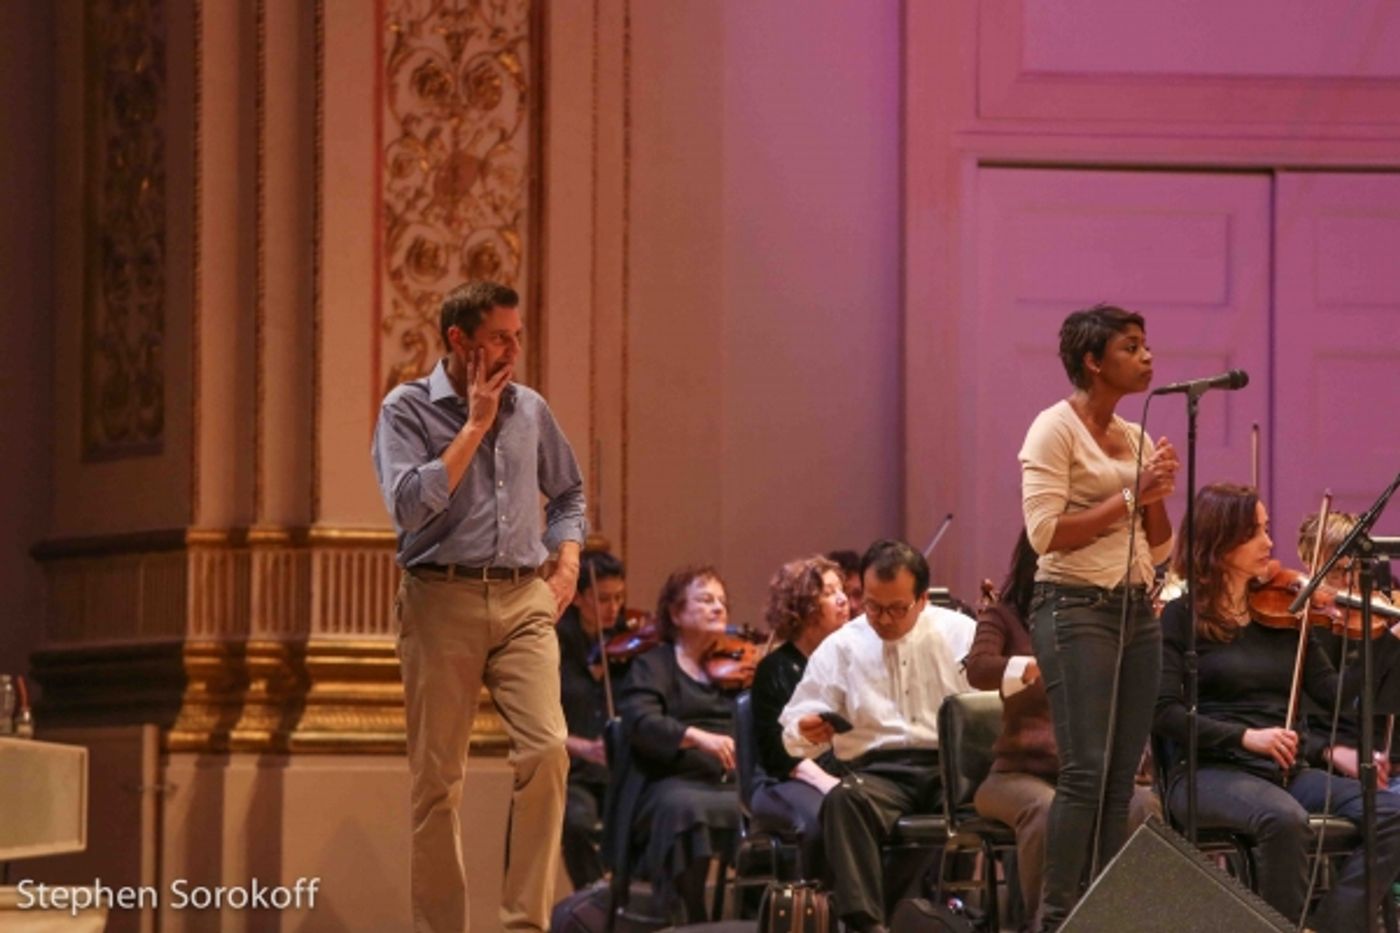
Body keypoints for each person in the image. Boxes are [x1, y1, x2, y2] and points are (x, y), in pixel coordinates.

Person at [372, 281, 586, 932]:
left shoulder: (533, 409)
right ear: (459, 341)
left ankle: (525, 923)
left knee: (548, 750)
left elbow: (569, 492)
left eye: (517, 335)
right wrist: (473, 426)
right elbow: (409, 507)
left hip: (524, 594)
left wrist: (568, 561)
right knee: (438, 781)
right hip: (441, 596)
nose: (513, 348)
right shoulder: (405, 409)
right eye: (499, 337)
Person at [1154, 483, 1400, 930]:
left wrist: (1370, 637)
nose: (1270, 543)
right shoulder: (1180, 617)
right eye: (1255, 532)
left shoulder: (1287, 615)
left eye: (1266, 529)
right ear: (1220, 540)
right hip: (1209, 770)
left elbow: (1337, 696)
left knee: (1392, 813)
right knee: (1284, 820)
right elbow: (1164, 713)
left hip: (1281, 771)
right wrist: (1246, 736)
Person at [1018, 303, 1177, 928]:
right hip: (1074, 607)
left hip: (1136, 609)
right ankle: (1057, 918)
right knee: (1085, 771)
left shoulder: (1133, 437)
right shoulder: (1053, 429)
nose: (1147, 358)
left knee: (1119, 777)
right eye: (1131, 348)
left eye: (1146, 346)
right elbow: (1045, 534)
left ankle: (1106, 915)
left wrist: (1156, 492)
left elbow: (1161, 548)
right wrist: (1134, 492)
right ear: (1093, 360)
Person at [966, 530, 1159, 931]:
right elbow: (979, 668)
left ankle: (1127, 920)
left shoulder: (1112, 622)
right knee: (1049, 811)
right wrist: (1027, 666)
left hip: (1095, 776)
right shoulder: (1006, 615)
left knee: (1144, 806)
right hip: (1018, 774)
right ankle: (1052, 925)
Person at [781, 539, 973, 933]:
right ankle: (868, 926)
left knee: (1007, 797)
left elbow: (991, 707)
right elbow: (794, 728)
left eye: (896, 608)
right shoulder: (842, 646)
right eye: (872, 606)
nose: (883, 619)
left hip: (951, 769)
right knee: (843, 801)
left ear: (922, 600)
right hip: (880, 775)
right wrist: (806, 729)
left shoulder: (960, 634)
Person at [617, 566, 743, 924]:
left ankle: (752, 915)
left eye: (722, 601)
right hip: (665, 784)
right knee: (685, 808)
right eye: (705, 600)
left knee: (766, 807)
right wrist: (697, 737)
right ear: (675, 613)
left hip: (726, 783)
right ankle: (687, 916)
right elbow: (641, 723)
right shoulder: (652, 665)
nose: (718, 607)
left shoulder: (735, 667)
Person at [748, 555, 852, 877]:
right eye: (829, 592)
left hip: (839, 775)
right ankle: (818, 913)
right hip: (781, 782)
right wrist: (829, 784)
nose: (843, 599)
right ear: (804, 606)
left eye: (842, 589)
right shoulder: (775, 669)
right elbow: (778, 753)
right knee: (824, 819)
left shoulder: (848, 660)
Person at [1295, 511, 1400, 792]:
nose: (1348, 582)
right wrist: (1386, 643)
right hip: (1333, 769)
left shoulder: (1384, 609)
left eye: (1355, 569)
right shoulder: (1301, 626)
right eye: (1335, 572)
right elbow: (1337, 698)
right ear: (1309, 564)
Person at [555, 549, 628, 889]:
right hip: (575, 774)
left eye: (619, 598)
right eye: (602, 599)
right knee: (577, 823)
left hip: (623, 772)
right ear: (580, 599)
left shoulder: (631, 645)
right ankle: (596, 903)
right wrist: (583, 747)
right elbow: (534, 727)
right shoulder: (553, 645)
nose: (613, 609)